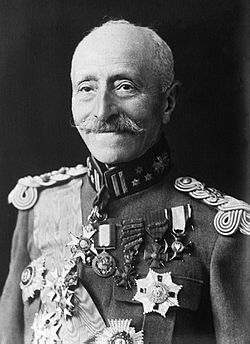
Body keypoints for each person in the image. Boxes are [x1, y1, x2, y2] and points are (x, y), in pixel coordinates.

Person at [0, 19, 249, 344]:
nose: (102, 111)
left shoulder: (217, 230)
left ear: (168, 102)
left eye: (125, 86)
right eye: (87, 88)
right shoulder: (39, 208)